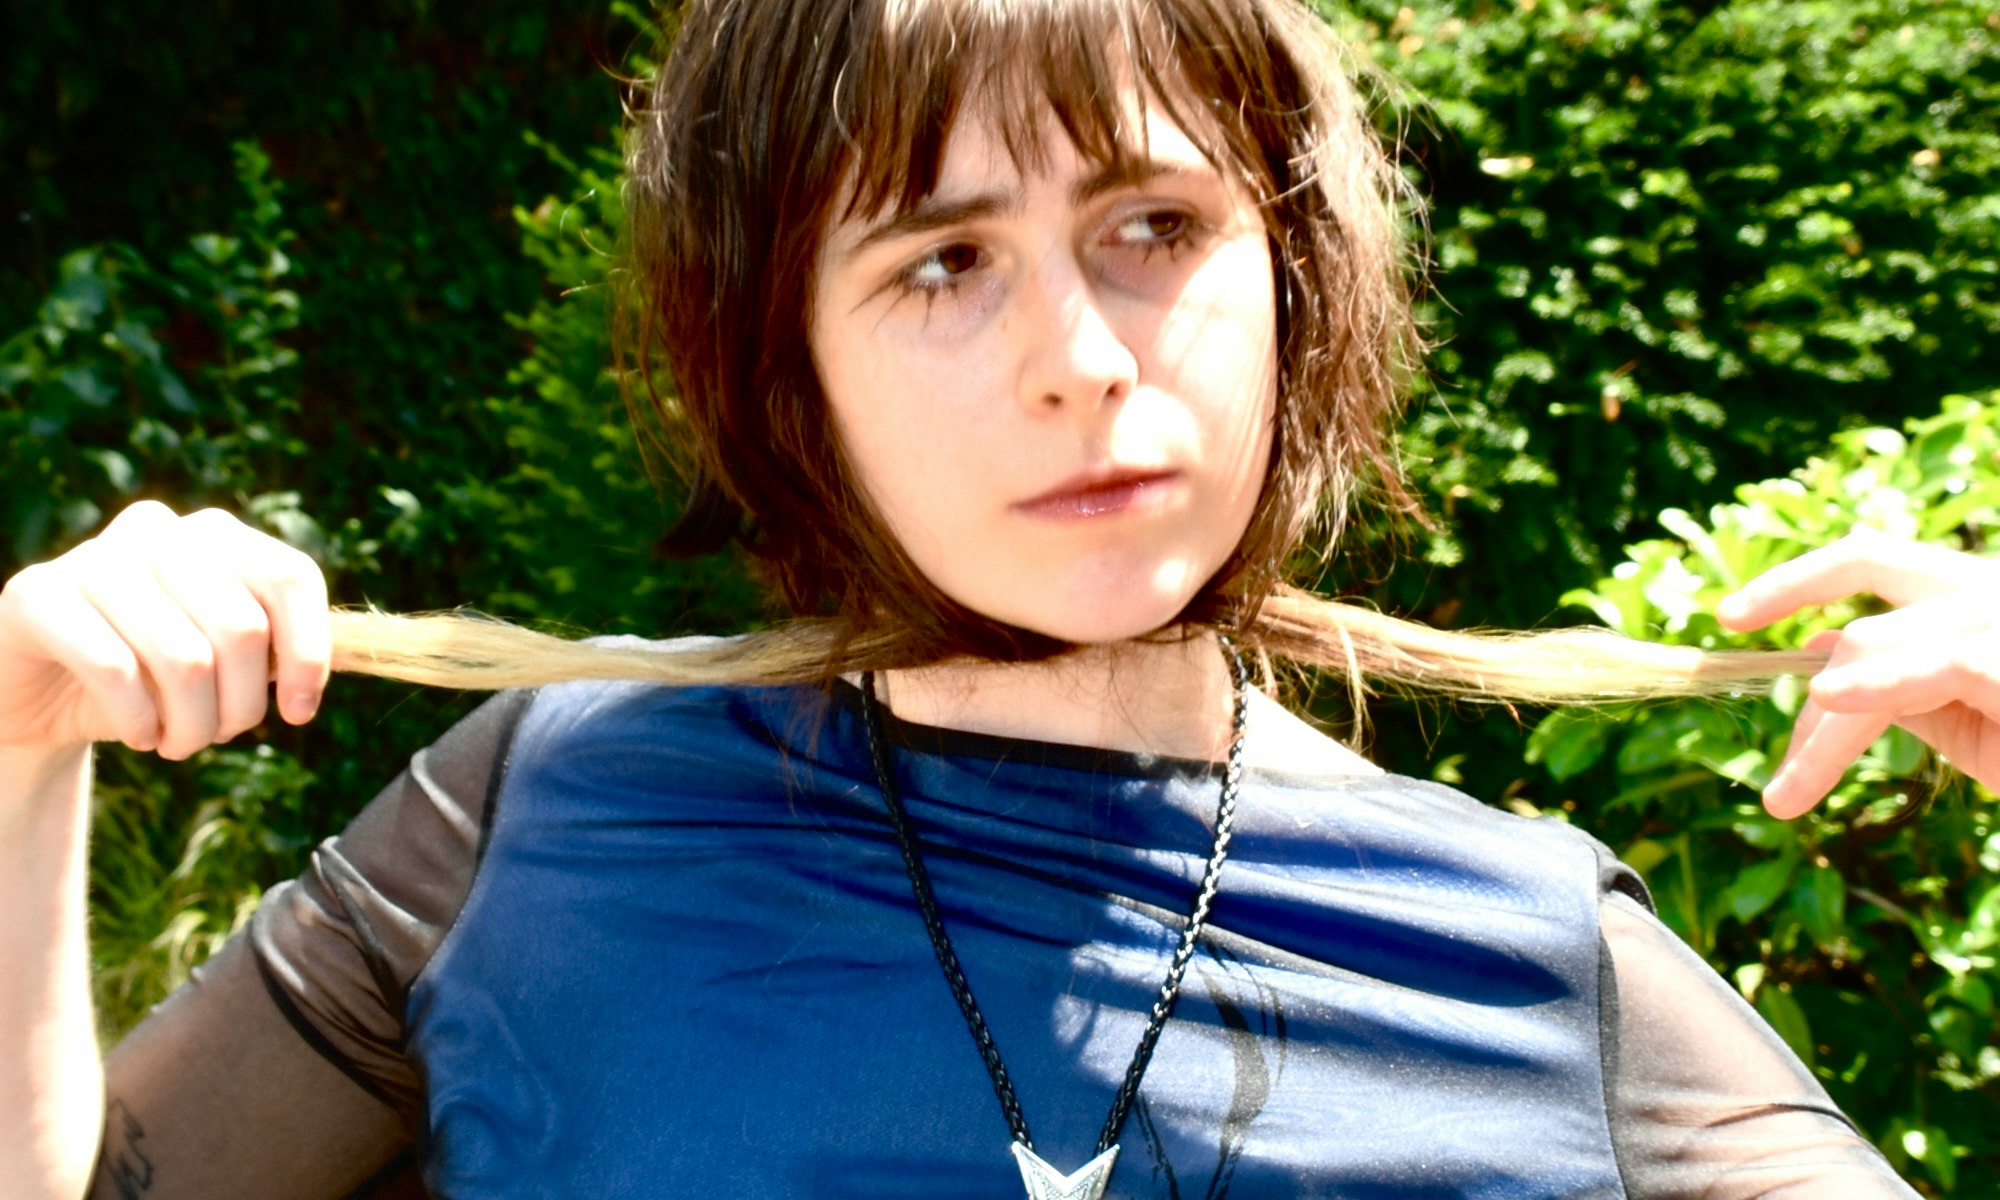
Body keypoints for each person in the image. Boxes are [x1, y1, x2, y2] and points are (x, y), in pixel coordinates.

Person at [2, 0, 1994, 1196]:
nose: (1084, 360)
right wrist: (20, 751)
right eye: (943, 263)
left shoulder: (1536, 961)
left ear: (1292, 273)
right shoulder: (538, 818)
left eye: (1155, 226)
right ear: (782, 366)